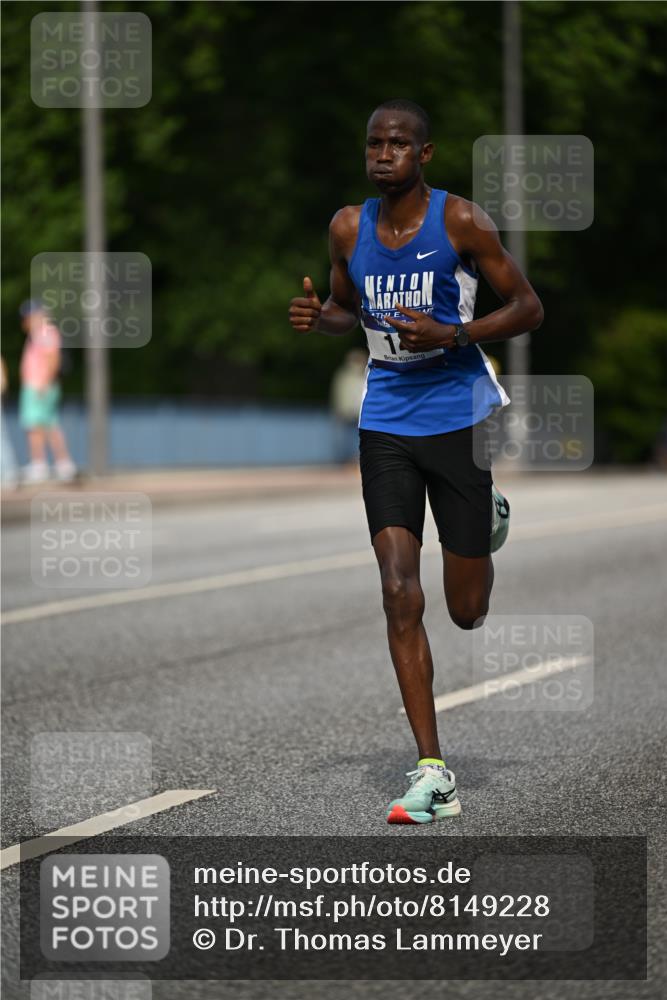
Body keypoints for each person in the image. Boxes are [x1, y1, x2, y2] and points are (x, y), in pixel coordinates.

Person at [288, 99, 543, 824]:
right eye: (373, 143)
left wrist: (454, 332)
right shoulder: (347, 226)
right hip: (387, 421)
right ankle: (434, 772)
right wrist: (320, 319)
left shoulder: (460, 222)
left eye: (398, 144)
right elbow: (347, 309)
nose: (382, 154)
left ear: (423, 154)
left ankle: (485, 515)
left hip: (458, 417)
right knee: (399, 591)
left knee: (466, 611)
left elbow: (527, 307)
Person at [19, 300, 77, 483]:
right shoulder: (41, 333)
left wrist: (44, 383)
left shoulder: (44, 332)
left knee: (35, 426)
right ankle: (63, 464)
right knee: (50, 425)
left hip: (39, 386)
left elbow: (53, 358)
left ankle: (40, 464)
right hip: (42, 385)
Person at [330, 348, 369, 464]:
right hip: (349, 412)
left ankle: (356, 460)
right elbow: (339, 393)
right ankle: (347, 461)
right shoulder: (345, 376)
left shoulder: (364, 374)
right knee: (347, 439)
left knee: (359, 438)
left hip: (358, 413)